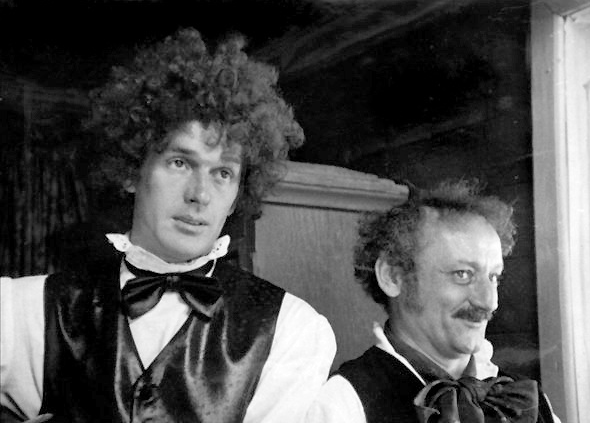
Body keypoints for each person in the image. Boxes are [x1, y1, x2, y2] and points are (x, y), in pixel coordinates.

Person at [1, 28, 336, 423]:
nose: (200, 194)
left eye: (223, 173)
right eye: (180, 163)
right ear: (131, 171)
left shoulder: (289, 330)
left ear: (236, 196)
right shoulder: (24, 313)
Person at [306, 179, 560, 423]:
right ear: (393, 277)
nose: (489, 302)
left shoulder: (529, 401)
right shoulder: (343, 404)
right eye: (462, 274)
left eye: (494, 277)